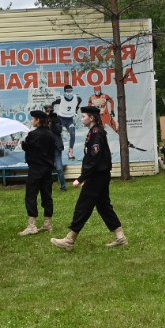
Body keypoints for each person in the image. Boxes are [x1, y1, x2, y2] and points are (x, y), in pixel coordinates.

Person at [51, 106, 127, 251]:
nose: (82, 119)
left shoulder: (96, 133)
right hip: (99, 175)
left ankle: (69, 240)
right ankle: (120, 237)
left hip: (97, 176)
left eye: (84, 116)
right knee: (104, 207)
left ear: (91, 118)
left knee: (83, 206)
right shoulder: (94, 132)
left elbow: (94, 159)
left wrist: (81, 178)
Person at [19, 109, 58, 235]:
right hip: (47, 170)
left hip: (35, 169)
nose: (32, 121)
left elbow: (28, 147)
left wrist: (23, 143)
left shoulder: (33, 134)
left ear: (38, 120)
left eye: (33, 119)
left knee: (31, 195)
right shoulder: (51, 134)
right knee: (47, 196)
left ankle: (32, 226)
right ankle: (47, 224)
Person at [51, 85, 82, 159]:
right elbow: (53, 103)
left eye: (71, 91)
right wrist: (53, 112)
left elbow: (79, 101)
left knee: (73, 134)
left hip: (69, 120)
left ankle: (70, 152)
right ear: (64, 92)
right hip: (61, 119)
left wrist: (76, 109)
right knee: (57, 134)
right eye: (67, 91)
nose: (69, 93)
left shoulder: (77, 98)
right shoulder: (60, 98)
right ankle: (54, 150)